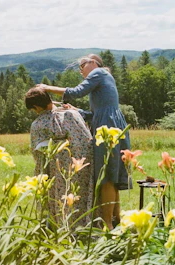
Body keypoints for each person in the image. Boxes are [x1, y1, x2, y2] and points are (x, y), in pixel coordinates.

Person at [37, 54, 131, 230]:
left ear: (94, 63)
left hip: (107, 128)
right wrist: (76, 110)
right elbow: (94, 114)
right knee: (112, 175)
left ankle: (108, 225)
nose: (81, 71)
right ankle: (116, 221)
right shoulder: (102, 79)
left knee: (107, 178)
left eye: (82, 66)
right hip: (110, 125)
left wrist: (46, 87)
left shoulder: (99, 73)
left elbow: (75, 92)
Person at [25, 87, 94, 228]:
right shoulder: (71, 115)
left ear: (37, 107)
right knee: (78, 196)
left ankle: (57, 227)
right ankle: (83, 226)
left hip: (54, 170)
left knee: (57, 198)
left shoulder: (37, 125)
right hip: (78, 167)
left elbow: (36, 152)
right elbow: (86, 140)